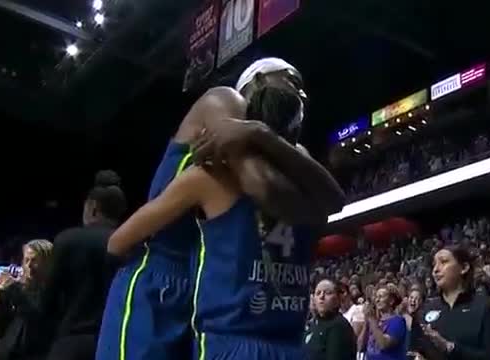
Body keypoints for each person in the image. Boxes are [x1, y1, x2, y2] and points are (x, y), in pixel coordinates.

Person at [106, 58, 345, 360]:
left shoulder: (280, 151)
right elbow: (263, 186)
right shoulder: (225, 101)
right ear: (255, 83)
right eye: (290, 80)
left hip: (205, 284)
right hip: (161, 273)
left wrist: (264, 136)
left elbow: (330, 200)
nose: (301, 92)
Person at [41, 171, 125, 360]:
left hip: (70, 342)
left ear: (93, 208)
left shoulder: (68, 239)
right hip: (114, 342)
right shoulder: (130, 243)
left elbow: (48, 301)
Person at [410, 246, 490, 360]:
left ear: (464, 267)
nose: (435, 270)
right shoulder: (425, 309)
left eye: (443, 262)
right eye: (434, 264)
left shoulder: (486, 306)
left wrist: (450, 347)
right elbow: (413, 352)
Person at [0, 239, 53, 360]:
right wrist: (3, 292)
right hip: (7, 353)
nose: (29, 266)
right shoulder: (18, 288)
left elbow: (36, 316)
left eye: (34, 261)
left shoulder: (56, 290)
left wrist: (13, 288)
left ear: (47, 263)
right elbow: (0, 323)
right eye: (26, 260)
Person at [304, 278, 357, 360]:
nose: (321, 296)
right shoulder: (314, 324)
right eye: (318, 293)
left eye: (328, 293)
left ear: (338, 299)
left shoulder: (339, 326)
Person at [359, 286, 407, 360]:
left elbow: (383, 344)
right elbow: (360, 347)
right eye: (376, 297)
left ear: (391, 301)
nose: (377, 300)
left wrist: (371, 319)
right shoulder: (375, 321)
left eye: (381, 296)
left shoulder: (398, 321)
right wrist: (366, 322)